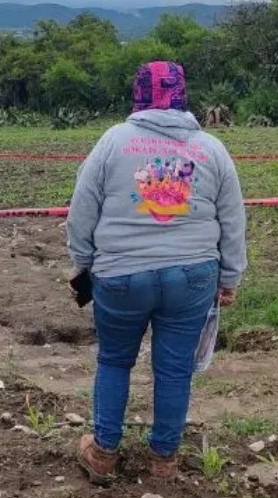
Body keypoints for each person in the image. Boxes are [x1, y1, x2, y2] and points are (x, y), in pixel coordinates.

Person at [66, 61, 247, 483]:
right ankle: (164, 460)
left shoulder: (113, 142)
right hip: (192, 277)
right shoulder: (212, 149)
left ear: (140, 95)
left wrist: (84, 264)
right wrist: (230, 276)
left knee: (114, 360)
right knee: (174, 369)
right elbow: (233, 219)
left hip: (121, 277)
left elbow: (82, 211)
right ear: (183, 96)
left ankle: (104, 453)